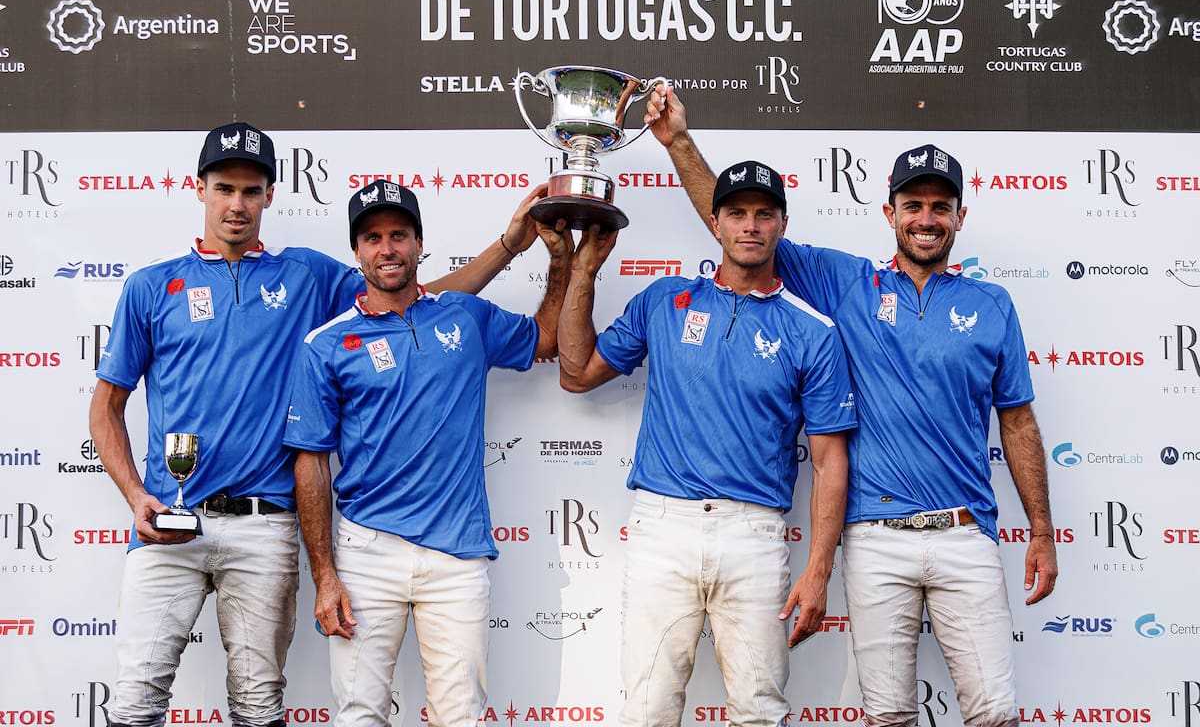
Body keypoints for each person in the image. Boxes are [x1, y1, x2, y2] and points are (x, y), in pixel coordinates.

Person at [89, 121, 549, 727]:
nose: (236, 204)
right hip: (169, 525)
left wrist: (508, 246)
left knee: (259, 707)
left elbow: (410, 297)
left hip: (264, 526)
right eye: (224, 188)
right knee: (134, 702)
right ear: (198, 189)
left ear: (270, 196)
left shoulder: (305, 275)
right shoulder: (150, 287)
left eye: (250, 191)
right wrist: (135, 495)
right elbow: (106, 407)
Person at [644, 86, 1058, 727]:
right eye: (913, 205)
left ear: (960, 217)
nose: (926, 218)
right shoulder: (846, 283)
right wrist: (678, 143)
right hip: (875, 538)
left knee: (996, 713)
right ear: (890, 213)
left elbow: (1019, 421)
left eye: (940, 207)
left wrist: (1042, 531)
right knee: (887, 716)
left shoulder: (992, 304)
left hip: (966, 535)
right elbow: (739, 231)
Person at [557, 161, 856, 727]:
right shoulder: (665, 300)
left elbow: (828, 461)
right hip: (661, 528)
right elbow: (576, 374)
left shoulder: (814, 331)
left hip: (754, 534)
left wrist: (818, 570)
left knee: (759, 712)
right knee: (647, 709)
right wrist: (584, 272)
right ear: (715, 223)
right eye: (736, 213)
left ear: (782, 225)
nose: (750, 226)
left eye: (763, 214)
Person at [282, 182, 571, 727]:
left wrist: (558, 261)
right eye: (373, 238)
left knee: (459, 716)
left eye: (398, 235)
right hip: (366, 553)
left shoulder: (466, 316)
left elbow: (546, 339)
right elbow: (310, 464)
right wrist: (325, 575)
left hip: (456, 555)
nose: (387, 248)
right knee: (359, 715)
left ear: (419, 243)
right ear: (356, 251)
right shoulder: (327, 344)